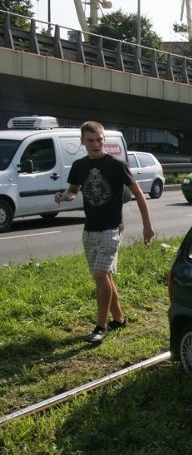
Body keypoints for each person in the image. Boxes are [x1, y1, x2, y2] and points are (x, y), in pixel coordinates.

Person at [54, 121, 155, 344]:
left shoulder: (116, 165)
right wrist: (64, 196)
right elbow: (73, 191)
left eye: (99, 139)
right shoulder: (79, 165)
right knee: (104, 277)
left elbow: (139, 194)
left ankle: (100, 327)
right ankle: (118, 318)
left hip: (112, 229)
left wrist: (147, 227)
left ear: (104, 140)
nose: (96, 144)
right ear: (82, 142)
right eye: (90, 140)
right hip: (89, 229)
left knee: (100, 274)